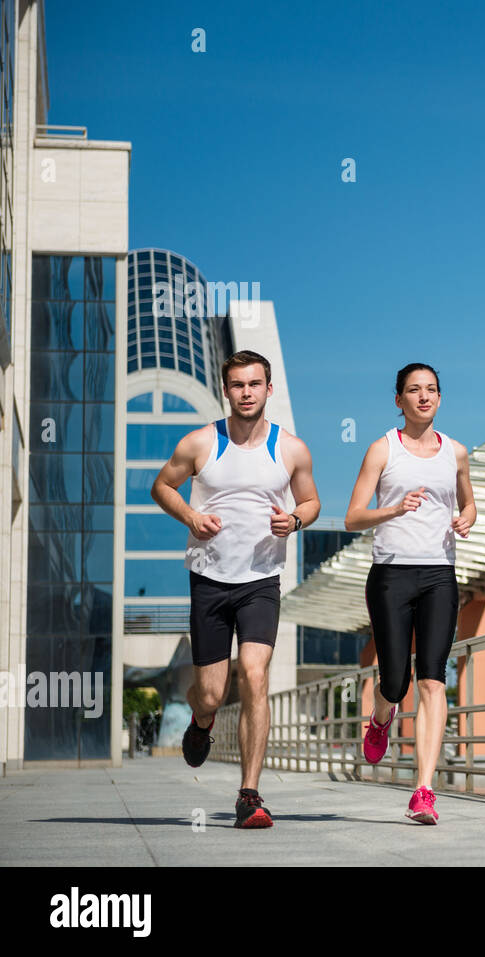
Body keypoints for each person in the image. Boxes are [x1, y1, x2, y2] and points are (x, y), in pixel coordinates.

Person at [151, 350, 320, 829]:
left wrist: (295, 519)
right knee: (210, 692)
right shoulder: (201, 443)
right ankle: (201, 721)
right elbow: (162, 486)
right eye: (238, 385)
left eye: (255, 384)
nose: (246, 392)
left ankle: (250, 795)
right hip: (208, 579)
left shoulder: (291, 449)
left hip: (261, 580)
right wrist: (191, 516)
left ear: (269, 389)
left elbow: (310, 500)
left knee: (255, 673)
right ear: (226, 390)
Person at [344, 362, 476, 823]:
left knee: (433, 679)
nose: (424, 396)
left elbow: (469, 500)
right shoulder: (383, 449)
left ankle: (423, 790)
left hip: (440, 574)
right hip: (391, 574)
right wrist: (394, 509)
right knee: (395, 682)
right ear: (398, 400)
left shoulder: (455, 452)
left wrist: (467, 518)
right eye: (414, 390)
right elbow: (353, 516)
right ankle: (381, 719)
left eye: (432, 389)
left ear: (440, 398)